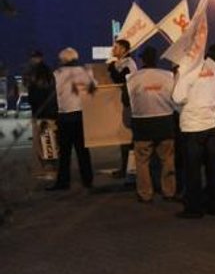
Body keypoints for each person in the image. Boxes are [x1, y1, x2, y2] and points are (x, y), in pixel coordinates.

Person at [171, 46, 215, 218]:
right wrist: (214, 111)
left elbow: (178, 97)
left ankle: (194, 208)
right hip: (211, 124)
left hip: (193, 126)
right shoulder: (213, 67)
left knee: (193, 169)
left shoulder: (186, 69)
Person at [126, 46, 176, 203]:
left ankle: (145, 193)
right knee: (167, 159)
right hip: (165, 122)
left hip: (142, 123)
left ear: (142, 60)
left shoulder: (132, 78)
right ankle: (169, 191)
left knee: (142, 161)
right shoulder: (168, 76)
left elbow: (125, 100)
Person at [49, 47, 97, 191]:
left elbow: (53, 93)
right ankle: (87, 180)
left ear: (63, 60)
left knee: (64, 152)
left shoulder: (58, 74)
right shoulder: (84, 72)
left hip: (65, 116)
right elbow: (95, 87)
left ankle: (63, 182)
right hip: (82, 115)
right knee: (83, 150)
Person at [24, 50, 58, 179]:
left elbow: (39, 94)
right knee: (47, 139)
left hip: (43, 112)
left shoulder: (39, 73)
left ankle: (50, 170)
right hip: (47, 111)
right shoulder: (46, 71)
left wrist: (37, 109)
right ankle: (49, 168)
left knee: (46, 140)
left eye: (34, 58)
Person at [108, 38, 138, 180]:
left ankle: (129, 170)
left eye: (117, 47)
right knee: (126, 139)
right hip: (125, 106)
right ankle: (127, 168)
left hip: (131, 106)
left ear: (124, 50)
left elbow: (121, 79)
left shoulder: (129, 64)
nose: (113, 50)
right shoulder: (121, 63)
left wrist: (112, 68)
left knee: (129, 139)